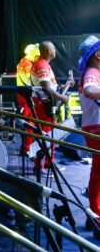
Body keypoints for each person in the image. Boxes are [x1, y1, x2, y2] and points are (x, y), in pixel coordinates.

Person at [29, 41, 72, 172]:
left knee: (49, 134)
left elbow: (51, 86)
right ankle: (39, 164)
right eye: (54, 48)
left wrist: (65, 86)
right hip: (43, 104)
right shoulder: (42, 64)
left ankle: (49, 162)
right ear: (49, 51)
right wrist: (61, 97)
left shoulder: (45, 64)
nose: (55, 50)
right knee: (45, 134)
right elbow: (46, 87)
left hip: (45, 103)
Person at [77, 35, 100, 239]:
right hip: (97, 127)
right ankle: (96, 215)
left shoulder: (91, 70)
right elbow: (91, 90)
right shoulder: (93, 72)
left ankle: (94, 213)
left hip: (93, 125)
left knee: (98, 172)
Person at [16, 43, 40, 154]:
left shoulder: (22, 62)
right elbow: (33, 81)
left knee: (26, 123)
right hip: (26, 96)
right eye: (36, 56)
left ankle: (24, 147)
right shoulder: (28, 64)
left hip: (21, 94)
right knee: (30, 123)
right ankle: (27, 149)